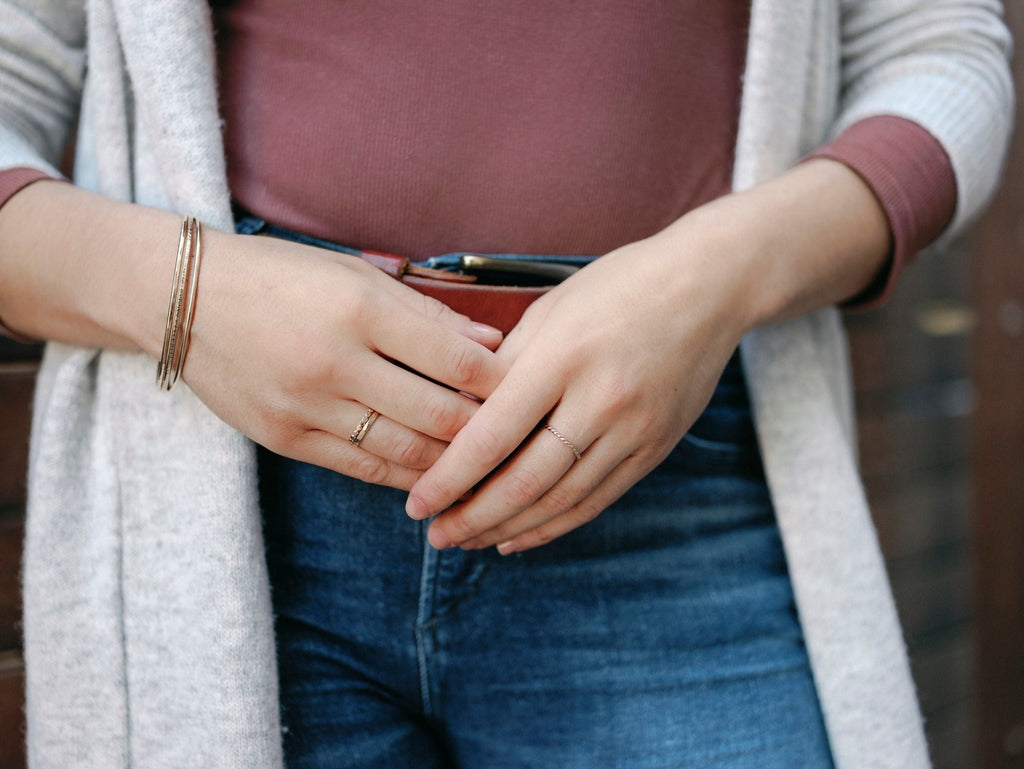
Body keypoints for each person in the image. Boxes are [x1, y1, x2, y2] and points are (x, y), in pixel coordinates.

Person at [0, 1, 1013, 767]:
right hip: (229, 514)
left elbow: (942, 59)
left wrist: (714, 279)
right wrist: (194, 299)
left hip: (675, 490)